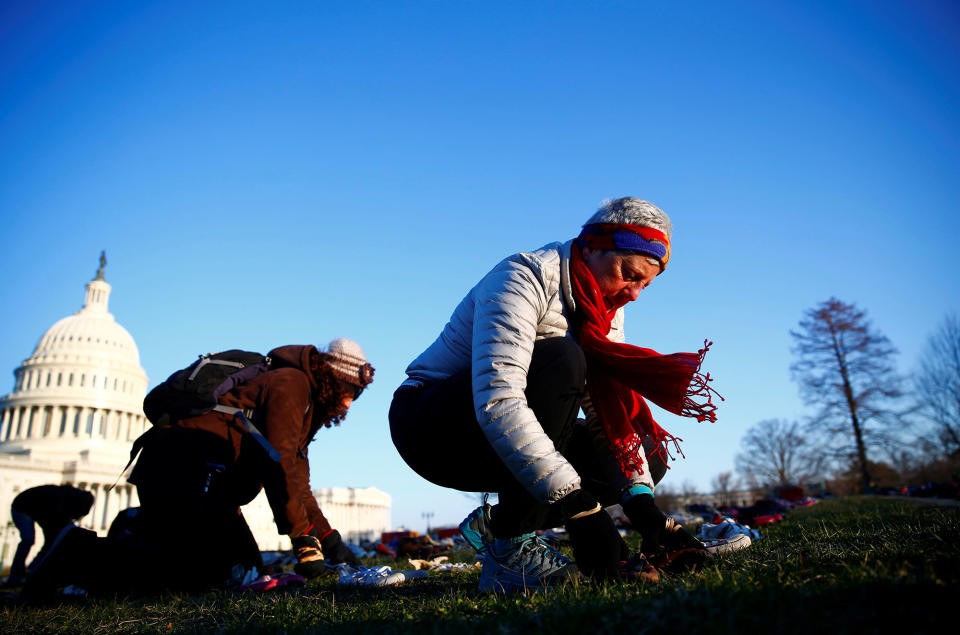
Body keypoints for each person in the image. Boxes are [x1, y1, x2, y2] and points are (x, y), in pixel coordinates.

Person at [389, 197, 719, 592]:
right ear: (593, 246)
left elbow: (604, 410)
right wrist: (581, 510)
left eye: (644, 285)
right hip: (433, 426)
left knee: (644, 455)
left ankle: (498, 524)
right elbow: (499, 399)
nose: (633, 294)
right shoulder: (523, 275)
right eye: (628, 274)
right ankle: (511, 549)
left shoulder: (605, 308)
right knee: (562, 358)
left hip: (508, 420)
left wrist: (648, 513)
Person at [22, 339, 374, 598]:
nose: (348, 402)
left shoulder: (307, 408)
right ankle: (76, 554)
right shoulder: (292, 386)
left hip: (210, 485)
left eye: (356, 396)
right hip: (180, 464)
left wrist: (330, 540)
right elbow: (277, 460)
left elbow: (297, 480)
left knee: (243, 570)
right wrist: (301, 539)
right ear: (331, 379)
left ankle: (140, 529)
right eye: (348, 390)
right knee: (193, 578)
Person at [3, 485, 93, 586]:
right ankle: (16, 576)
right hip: (21, 507)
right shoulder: (58, 502)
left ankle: (31, 571)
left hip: (37, 509)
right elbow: (51, 523)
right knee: (28, 539)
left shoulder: (66, 499)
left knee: (47, 542)